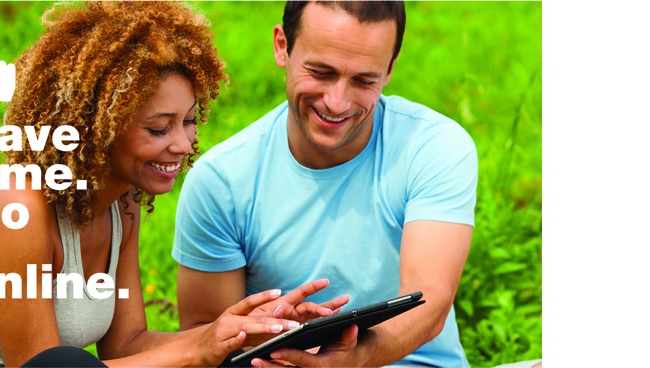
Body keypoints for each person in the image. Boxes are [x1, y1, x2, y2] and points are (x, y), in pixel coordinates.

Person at [0, 2, 347, 366]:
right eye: (158, 128)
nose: (184, 144)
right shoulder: (15, 211)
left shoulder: (120, 202)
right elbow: (42, 367)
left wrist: (243, 331)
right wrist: (197, 351)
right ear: (97, 129)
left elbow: (127, 347)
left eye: (187, 121)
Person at [172, 1, 478, 367]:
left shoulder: (432, 147)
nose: (337, 102)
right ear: (282, 46)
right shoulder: (222, 181)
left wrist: (350, 361)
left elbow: (430, 299)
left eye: (365, 80)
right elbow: (207, 340)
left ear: (390, 68)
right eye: (320, 72)